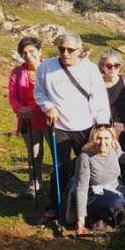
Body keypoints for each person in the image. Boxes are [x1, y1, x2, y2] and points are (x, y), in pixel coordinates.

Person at [35, 33, 110, 218]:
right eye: (62, 49)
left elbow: (100, 97)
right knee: (60, 166)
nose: (65, 53)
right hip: (59, 126)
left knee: (91, 165)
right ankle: (56, 205)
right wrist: (48, 107)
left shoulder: (90, 69)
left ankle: (94, 206)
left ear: (80, 50)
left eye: (70, 50)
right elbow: (39, 93)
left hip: (86, 126)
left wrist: (102, 125)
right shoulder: (45, 67)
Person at [69, 125, 125, 235]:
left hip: (116, 187)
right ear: (93, 139)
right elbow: (81, 189)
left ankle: (105, 218)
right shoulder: (85, 157)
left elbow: (121, 155)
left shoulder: (114, 148)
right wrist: (80, 221)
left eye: (106, 138)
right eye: (98, 138)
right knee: (117, 201)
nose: (102, 142)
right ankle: (102, 219)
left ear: (112, 139)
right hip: (93, 194)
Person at [8, 37, 46, 198]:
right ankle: (35, 184)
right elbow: (12, 96)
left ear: (40, 52)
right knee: (34, 153)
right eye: (24, 52)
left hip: (50, 119)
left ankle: (60, 184)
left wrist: (31, 109)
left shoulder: (50, 69)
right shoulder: (17, 72)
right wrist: (20, 110)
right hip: (28, 120)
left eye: (31, 51)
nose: (28, 55)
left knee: (58, 154)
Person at [99, 50, 125, 152]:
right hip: (103, 130)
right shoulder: (97, 84)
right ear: (102, 66)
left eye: (116, 65)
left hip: (123, 130)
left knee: (123, 157)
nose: (113, 69)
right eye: (109, 66)